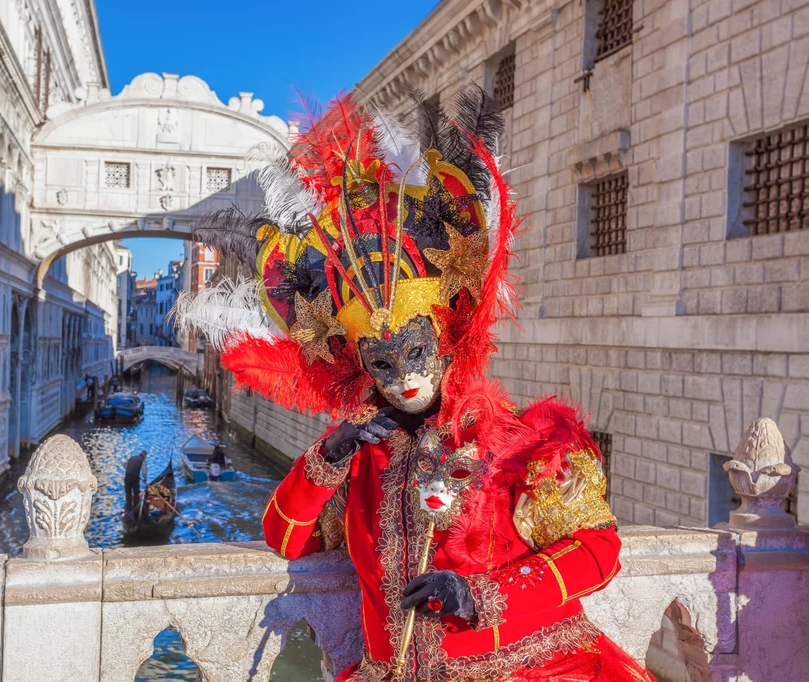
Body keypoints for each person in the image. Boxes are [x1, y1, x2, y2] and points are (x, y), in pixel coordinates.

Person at [177, 87, 656, 681]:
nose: (403, 378)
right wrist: (327, 456)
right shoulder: (362, 454)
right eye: (383, 363)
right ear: (361, 365)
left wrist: (483, 595)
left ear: (444, 338)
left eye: (414, 353)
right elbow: (286, 538)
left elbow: (597, 549)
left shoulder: (521, 439)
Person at [124, 450, 147, 516]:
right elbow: (144, 472)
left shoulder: (131, 457)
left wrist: (131, 469)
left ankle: (128, 509)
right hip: (135, 478)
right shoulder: (143, 461)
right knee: (136, 493)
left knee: (128, 493)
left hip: (127, 477)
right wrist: (145, 480)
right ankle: (135, 508)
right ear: (144, 455)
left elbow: (125, 466)